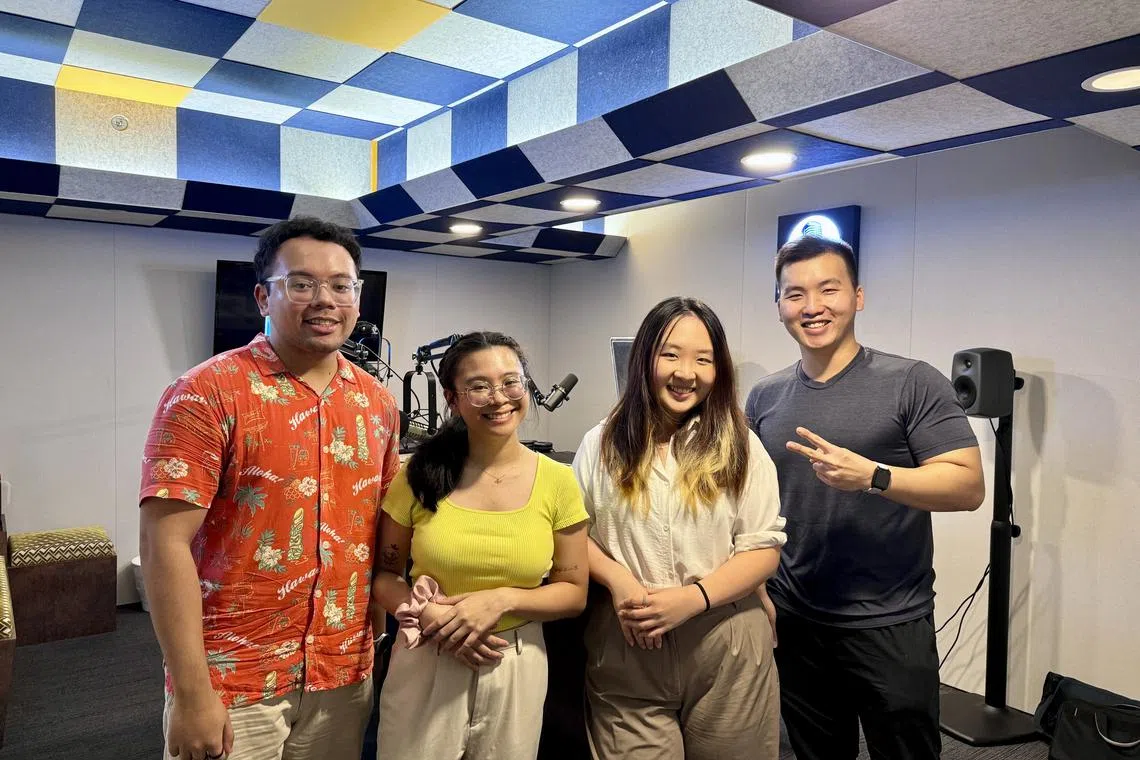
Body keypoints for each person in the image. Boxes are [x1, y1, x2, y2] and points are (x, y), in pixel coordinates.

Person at [139, 217, 401, 760]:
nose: (325, 299)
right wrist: (191, 693)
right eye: (301, 283)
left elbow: (376, 530)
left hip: (342, 672)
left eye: (342, 285)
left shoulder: (376, 402)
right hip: (233, 679)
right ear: (263, 294)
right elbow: (164, 545)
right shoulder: (205, 393)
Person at [746, 235, 986, 760]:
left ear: (857, 296)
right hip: (797, 618)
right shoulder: (765, 396)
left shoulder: (911, 381)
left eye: (828, 289)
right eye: (795, 294)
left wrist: (875, 476)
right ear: (780, 307)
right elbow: (748, 502)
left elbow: (967, 486)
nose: (812, 307)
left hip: (889, 622)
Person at [573, 296, 786, 760]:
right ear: (644, 357)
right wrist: (618, 578)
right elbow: (573, 535)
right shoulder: (601, 443)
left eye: (703, 359)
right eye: (670, 354)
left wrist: (693, 598)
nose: (685, 372)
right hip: (630, 636)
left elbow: (763, 547)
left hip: (723, 633)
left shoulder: (742, 445)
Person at [371, 331, 589, 760]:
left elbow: (574, 592)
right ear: (453, 399)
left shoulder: (558, 481)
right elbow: (384, 576)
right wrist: (434, 618)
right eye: (479, 386)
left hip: (515, 660)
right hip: (427, 653)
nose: (499, 398)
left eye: (511, 381)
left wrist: (500, 601)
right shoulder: (419, 474)